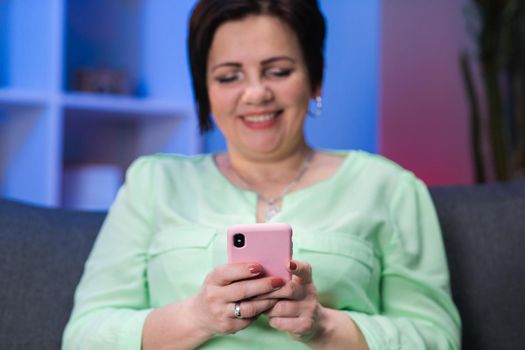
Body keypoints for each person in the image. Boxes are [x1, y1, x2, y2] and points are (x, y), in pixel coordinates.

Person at [62, 0, 461, 349]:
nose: (256, 94)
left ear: (315, 78)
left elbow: (437, 338)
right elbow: (83, 337)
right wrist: (197, 317)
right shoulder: (152, 183)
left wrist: (323, 326)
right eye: (229, 76)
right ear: (206, 90)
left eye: (278, 71)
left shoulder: (390, 187)